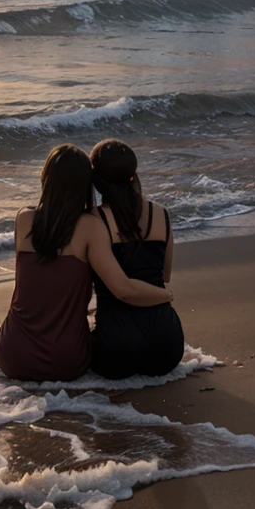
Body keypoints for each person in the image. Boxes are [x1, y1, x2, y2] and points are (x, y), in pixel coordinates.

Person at [0, 143, 173, 382]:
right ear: (86, 184)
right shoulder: (90, 227)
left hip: (11, 355)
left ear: (45, 178)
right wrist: (166, 295)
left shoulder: (23, 219)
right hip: (65, 360)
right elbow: (123, 288)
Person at [89, 138, 184, 379]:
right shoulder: (160, 214)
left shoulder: (94, 221)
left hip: (116, 349)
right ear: (133, 174)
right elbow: (165, 274)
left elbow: (120, 289)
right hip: (168, 347)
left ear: (97, 182)